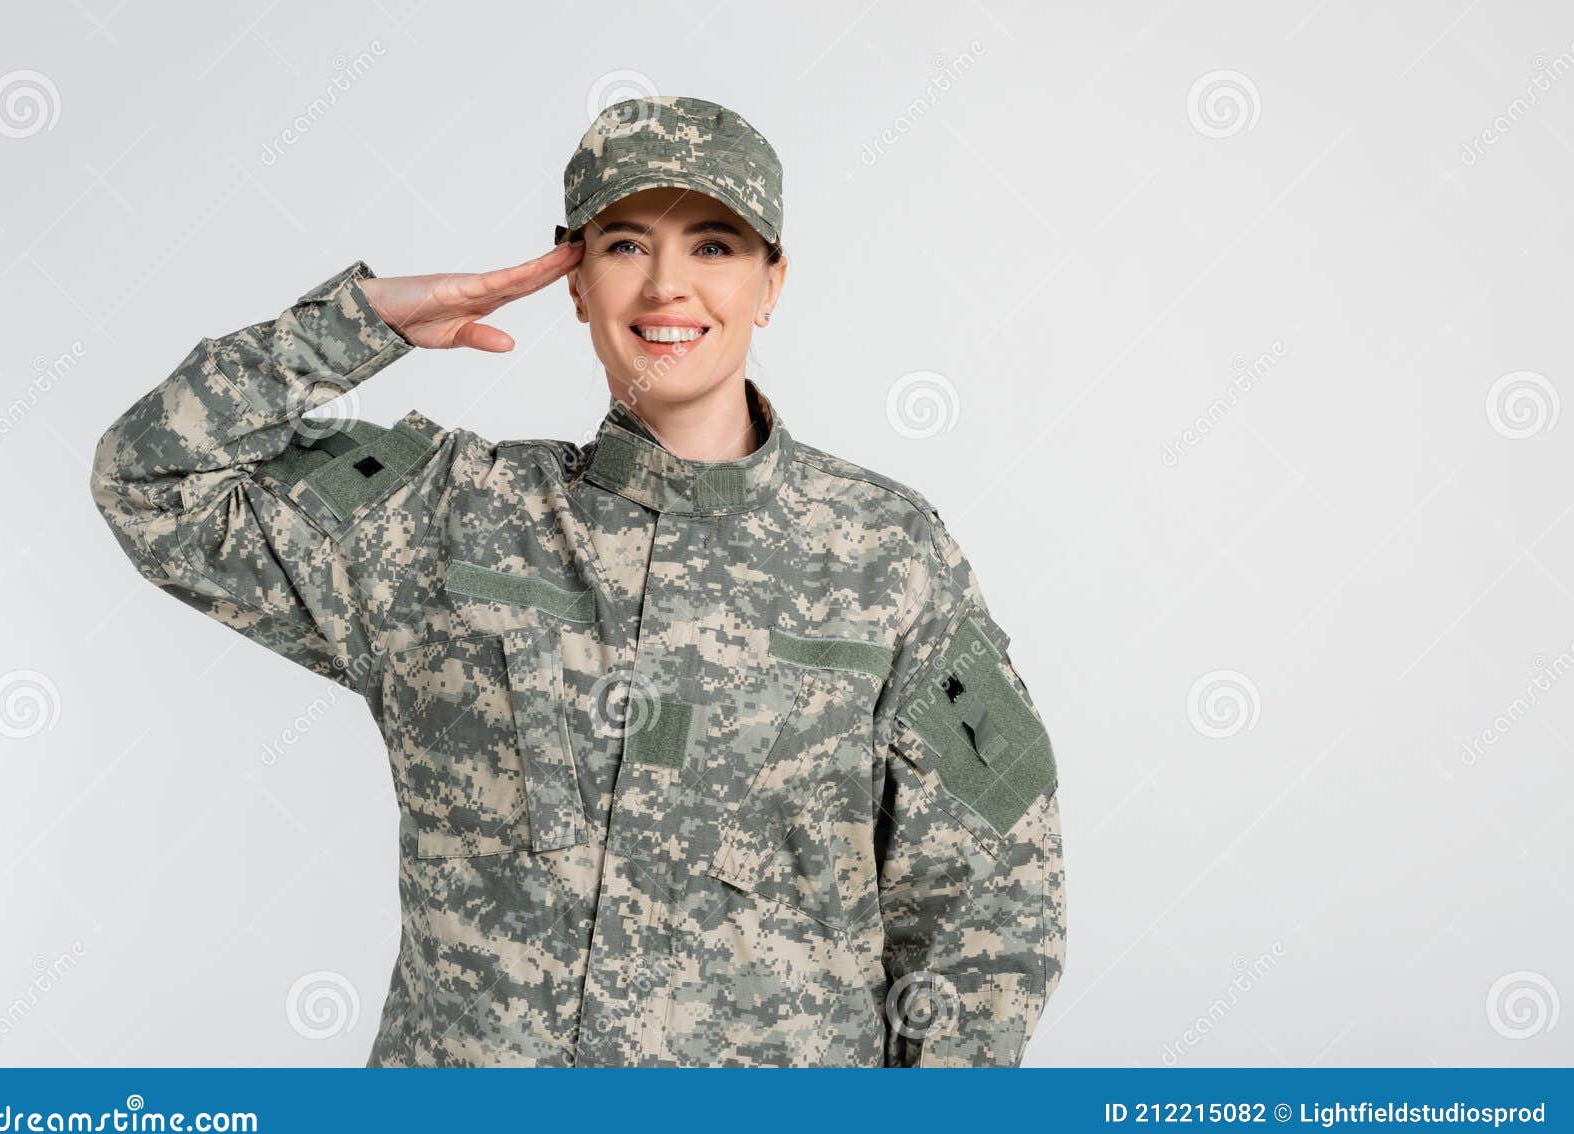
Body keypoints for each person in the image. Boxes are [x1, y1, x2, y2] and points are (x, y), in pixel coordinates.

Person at [89, 95, 1066, 1066]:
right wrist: (354, 326)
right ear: (573, 278)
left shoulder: (886, 550)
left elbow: (990, 896)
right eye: (626, 245)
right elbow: (152, 480)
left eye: (715, 246)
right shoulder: (450, 516)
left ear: (772, 282)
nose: (666, 288)